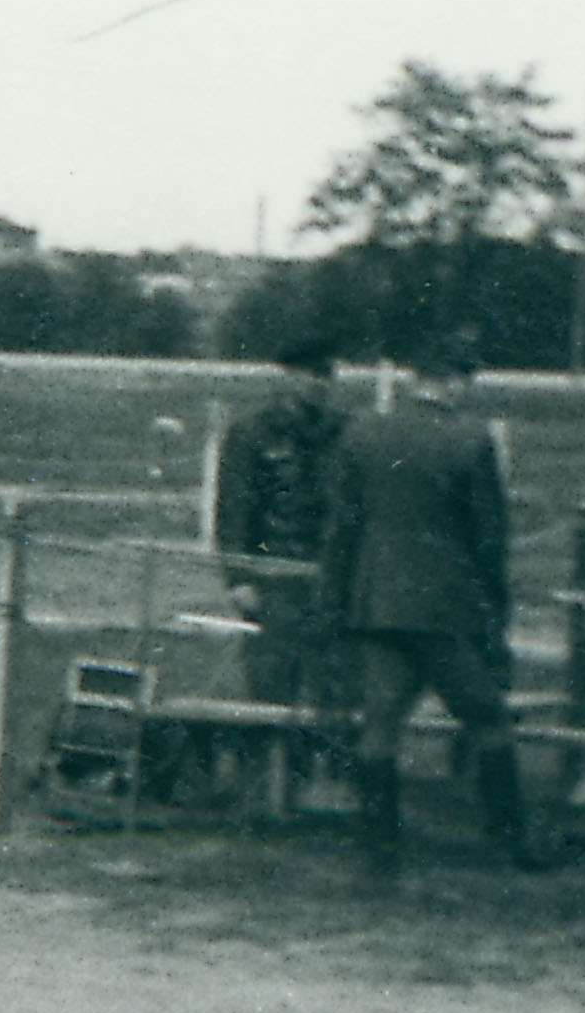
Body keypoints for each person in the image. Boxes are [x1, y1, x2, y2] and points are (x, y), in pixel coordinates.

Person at [324, 334, 532, 874]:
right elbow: (489, 540)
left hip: (377, 603)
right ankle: (509, 839)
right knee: (488, 717)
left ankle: (380, 848)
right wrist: (496, 611)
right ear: (458, 382)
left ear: (417, 379)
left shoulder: (363, 431)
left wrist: (337, 602)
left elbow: (342, 528)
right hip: (445, 607)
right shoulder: (470, 438)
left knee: (382, 721)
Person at [212, 333, 353, 713]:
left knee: (336, 690)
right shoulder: (253, 433)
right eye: (309, 375)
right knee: (272, 688)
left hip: (330, 579)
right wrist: (239, 579)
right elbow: (234, 511)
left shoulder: (345, 433)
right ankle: (273, 770)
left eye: (326, 376)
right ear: (287, 378)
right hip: (274, 579)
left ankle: (325, 771)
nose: (319, 384)